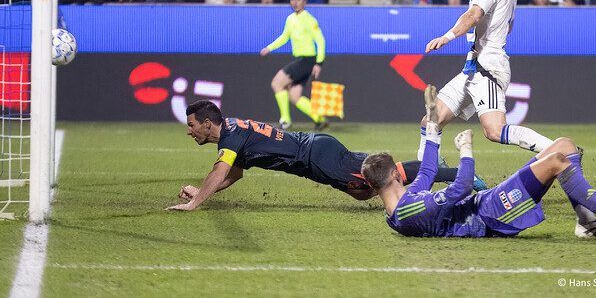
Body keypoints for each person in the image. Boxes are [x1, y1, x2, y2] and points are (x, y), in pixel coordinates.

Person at [362, 85, 596, 239]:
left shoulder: (405, 203)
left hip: (487, 204)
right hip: (490, 215)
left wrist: (432, 122)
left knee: (565, 145)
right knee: (559, 159)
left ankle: (586, 222)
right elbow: (460, 187)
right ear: (395, 176)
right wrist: (466, 150)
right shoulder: (410, 209)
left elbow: (427, 170)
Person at [166, 99, 460, 210]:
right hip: (316, 152)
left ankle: (447, 172)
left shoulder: (230, 137)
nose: (189, 131)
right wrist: (201, 193)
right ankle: (434, 168)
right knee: (362, 191)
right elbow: (234, 173)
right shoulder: (232, 134)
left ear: (207, 123)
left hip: (315, 156)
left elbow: (220, 171)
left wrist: (195, 203)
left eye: (191, 125)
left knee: (372, 182)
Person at [420, 0, 560, 164]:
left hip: (488, 67)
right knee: (431, 121)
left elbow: (473, 15)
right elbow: (509, 26)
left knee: (494, 131)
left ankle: (560, 151)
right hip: (474, 67)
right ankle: (432, 171)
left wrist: (447, 36)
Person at [260, 0, 327, 130]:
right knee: (294, 96)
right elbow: (285, 37)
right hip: (301, 59)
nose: (295, 3)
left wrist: (319, 63)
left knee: (277, 83)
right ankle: (319, 119)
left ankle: (285, 121)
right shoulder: (290, 19)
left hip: (307, 60)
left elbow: (320, 41)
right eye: (293, 0)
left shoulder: (309, 19)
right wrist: (269, 48)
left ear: (304, 2)